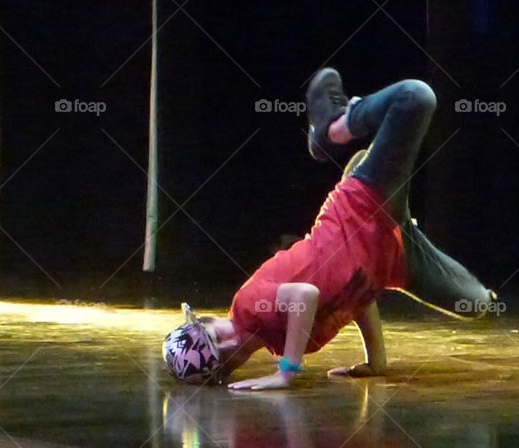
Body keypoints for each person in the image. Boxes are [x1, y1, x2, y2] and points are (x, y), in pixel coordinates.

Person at [163, 68, 497, 389]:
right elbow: (357, 297)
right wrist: (376, 361)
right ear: (228, 371)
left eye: (215, 337)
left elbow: (304, 296)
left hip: (362, 210)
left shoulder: (248, 305)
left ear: (212, 319)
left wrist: (287, 373)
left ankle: (332, 131)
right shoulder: (282, 341)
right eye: (221, 358)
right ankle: (389, 208)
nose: (228, 344)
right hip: (393, 261)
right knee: (479, 305)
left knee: (415, 97)